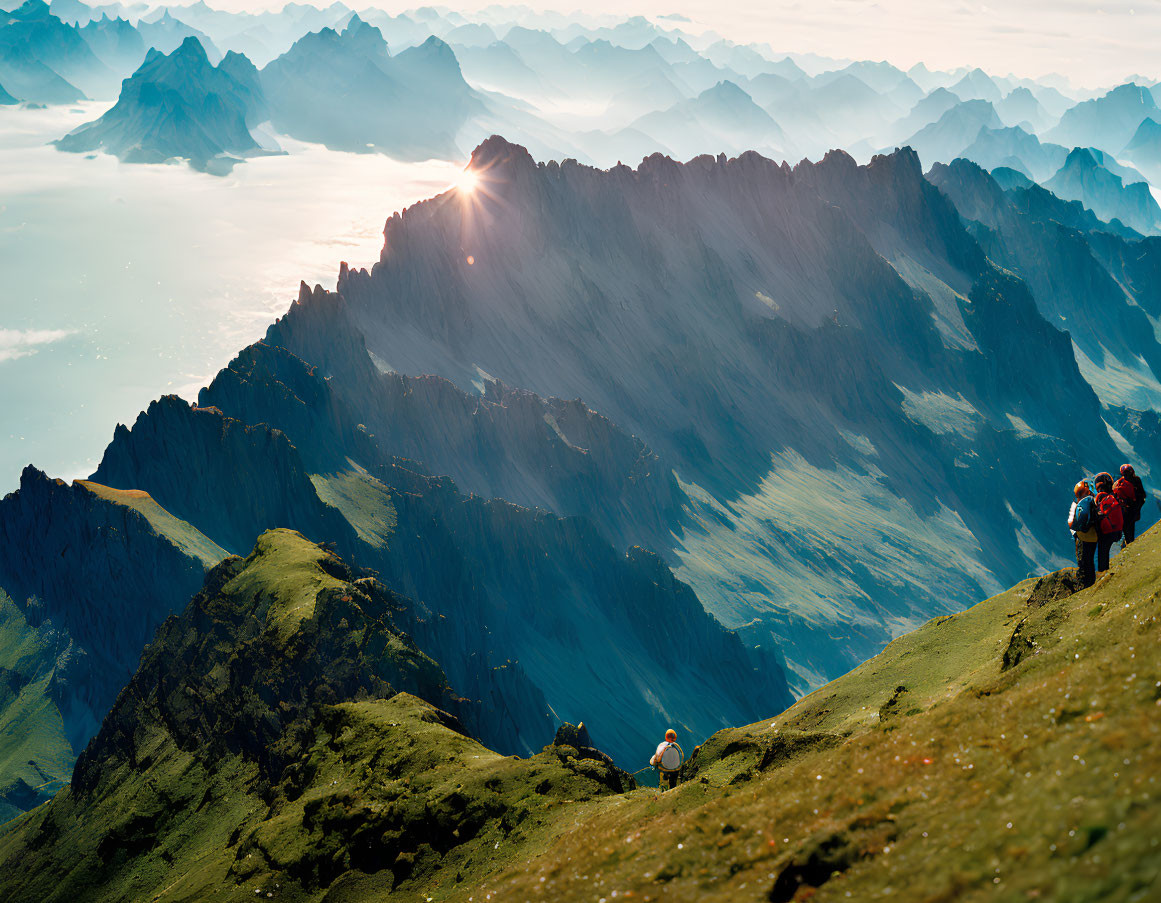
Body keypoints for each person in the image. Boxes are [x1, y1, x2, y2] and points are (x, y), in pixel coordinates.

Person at [1068, 480, 1098, 587]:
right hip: (1094, 536)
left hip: (1082, 537)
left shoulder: (1077, 505)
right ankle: (1091, 580)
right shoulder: (1094, 501)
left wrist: (1075, 533)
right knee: (1090, 559)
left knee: (1083, 560)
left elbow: (1071, 523)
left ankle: (1086, 583)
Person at [1094, 472, 1123, 573]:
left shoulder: (1101, 498)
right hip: (1118, 529)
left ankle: (1103, 571)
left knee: (1102, 552)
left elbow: (1100, 514)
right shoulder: (1114, 496)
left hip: (1107, 532)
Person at [1116, 464, 1147, 545]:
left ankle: (1128, 542)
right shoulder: (1136, 480)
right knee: (1131, 525)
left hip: (1125, 509)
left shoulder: (1120, 483)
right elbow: (1143, 494)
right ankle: (1130, 542)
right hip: (1135, 507)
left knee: (1126, 527)